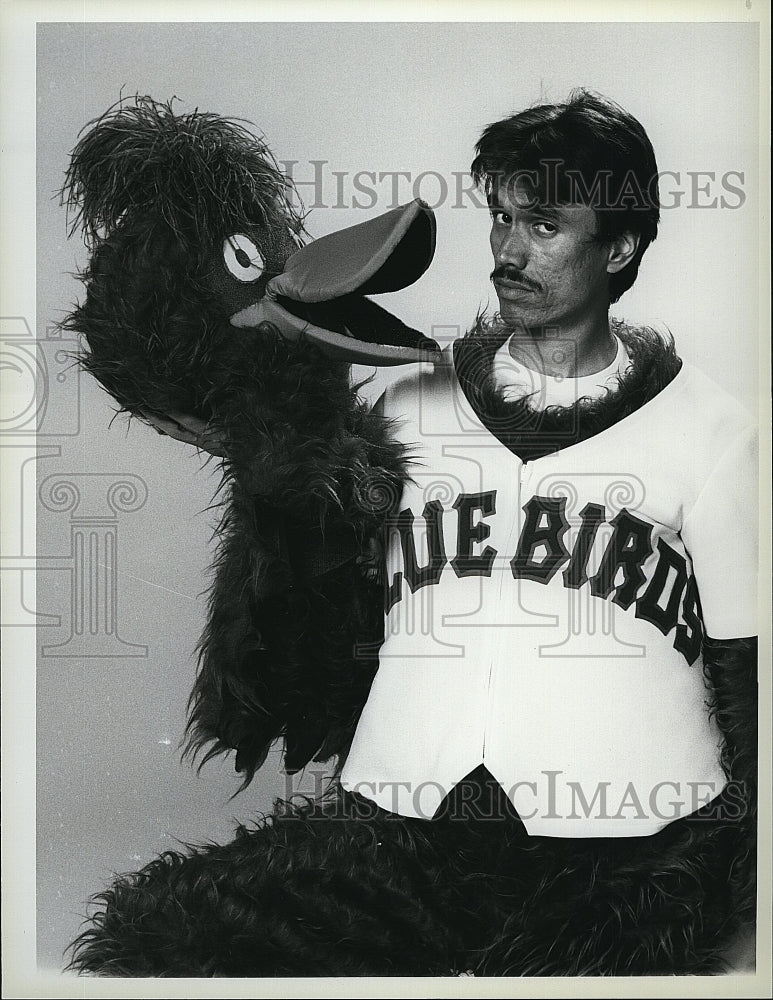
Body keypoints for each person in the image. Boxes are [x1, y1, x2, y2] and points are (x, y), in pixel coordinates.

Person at [76, 90, 758, 977]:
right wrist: (265, 472)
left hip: (620, 854)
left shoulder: (710, 431)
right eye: (502, 219)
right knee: (154, 942)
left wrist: (748, 887)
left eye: (544, 225)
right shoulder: (407, 410)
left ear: (620, 245)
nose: (509, 251)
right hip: (399, 838)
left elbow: (753, 681)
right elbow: (304, 659)